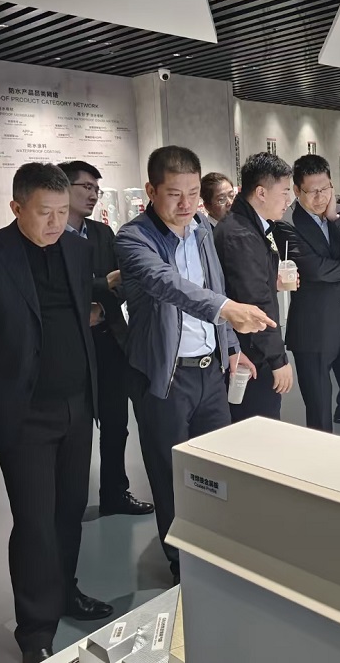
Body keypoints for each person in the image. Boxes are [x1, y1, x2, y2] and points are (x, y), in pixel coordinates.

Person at [0, 163, 110, 663]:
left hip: (77, 404)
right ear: (17, 207)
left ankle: (65, 590)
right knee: (35, 520)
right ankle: (36, 627)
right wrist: (11, 372)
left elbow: (79, 315)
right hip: (25, 413)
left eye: (62, 211)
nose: (55, 223)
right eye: (44, 213)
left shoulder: (76, 250)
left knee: (69, 511)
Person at [115, 145, 270, 586]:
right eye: (173, 194)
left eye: (192, 193)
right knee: (171, 474)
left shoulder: (201, 228)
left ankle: (217, 551)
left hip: (209, 372)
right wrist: (227, 310)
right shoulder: (133, 238)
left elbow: (213, 282)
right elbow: (168, 285)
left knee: (216, 467)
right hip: (165, 376)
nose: (186, 204)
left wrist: (231, 346)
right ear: (150, 191)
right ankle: (183, 565)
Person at [58, 160, 153, 517]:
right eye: (85, 187)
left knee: (116, 423)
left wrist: (100, 305)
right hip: (68, 346)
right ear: (63, 187)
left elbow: (125, 279)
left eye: (96, 189)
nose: (93, 194)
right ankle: (65, 503)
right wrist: (101, 286)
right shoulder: (50, 234)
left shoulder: (102, 233)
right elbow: (56, 289)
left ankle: (115, 493)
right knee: (73, 427)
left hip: (108, 338)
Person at [271, 155, 340, 441]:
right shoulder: (286, 223)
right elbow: (316, 270)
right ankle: (323, 465)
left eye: (325, 188)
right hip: (314, 326)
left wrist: (335, 219)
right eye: (312, 191)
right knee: (319, 409)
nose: (320, 197)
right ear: (297, 190)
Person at [214, 151, 294, 421]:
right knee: (258, 426)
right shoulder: (241, 234)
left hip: (250, 348)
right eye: (284, 192)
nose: (288, 200)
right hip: (251, 354)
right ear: (261, 193)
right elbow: (255, 301)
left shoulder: (249, 226)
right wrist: (278, 359)